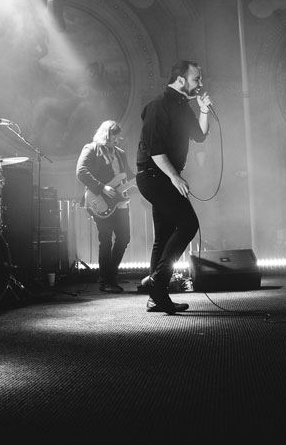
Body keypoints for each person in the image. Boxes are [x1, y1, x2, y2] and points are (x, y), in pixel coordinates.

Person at [135, 60, 212, 314]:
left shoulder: (183, 107)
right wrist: (175, 177)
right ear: (180, 80)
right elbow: (155, 150)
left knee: (164, 236)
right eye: (196, 79)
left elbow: (200, 135)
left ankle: (155, 297)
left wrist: (204, 110)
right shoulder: (158, 106)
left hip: (165, 177)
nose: (200, 83)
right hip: (154, 176)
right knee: (188, 224)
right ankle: (157, 283)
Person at [76, 120, 133, 293]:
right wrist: (102, 187)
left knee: (124, 238)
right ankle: (107, 280)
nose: (117, 140)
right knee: (106, 240)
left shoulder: (120, 153)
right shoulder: (91, 149)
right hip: (99, 200)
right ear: (105, 134)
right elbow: (81, 171)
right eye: (114, 136)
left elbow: (129, 175)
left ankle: (109, 275)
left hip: (120, 202)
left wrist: (145, 176)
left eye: (118, 137)